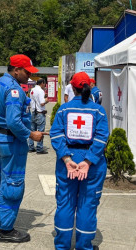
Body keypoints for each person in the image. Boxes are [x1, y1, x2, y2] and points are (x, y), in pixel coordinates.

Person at [0, 54, 48, 243]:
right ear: (16, 70)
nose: (29, 75)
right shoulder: (14, 89)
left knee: (0, 178)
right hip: (11, 140)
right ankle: (6, 230)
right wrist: (31, 134)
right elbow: (14, 121)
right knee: (13, 183)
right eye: (27, 71)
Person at [50, 71, 109, 250]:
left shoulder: (64, 108)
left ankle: (62, 246)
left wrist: (67, 159)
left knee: (65, 203)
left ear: (73, 88)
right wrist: (89, 161)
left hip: (67, 162)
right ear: (89, 86)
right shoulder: (98, 110)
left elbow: (56, 134)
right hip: (92, 165)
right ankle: (84, 246)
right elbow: (101, 138)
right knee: (87, 204)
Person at [28, 78, 49, 154]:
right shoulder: (40, 91)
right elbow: (42, 103)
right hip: (40, 113)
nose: (45, 85)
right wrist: (46, 100)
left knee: (32, 130)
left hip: (33, 112)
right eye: (44, 83)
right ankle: (39, 148)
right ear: (42, 83)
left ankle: (30, 147)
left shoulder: (32, 90)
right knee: (41, 131)